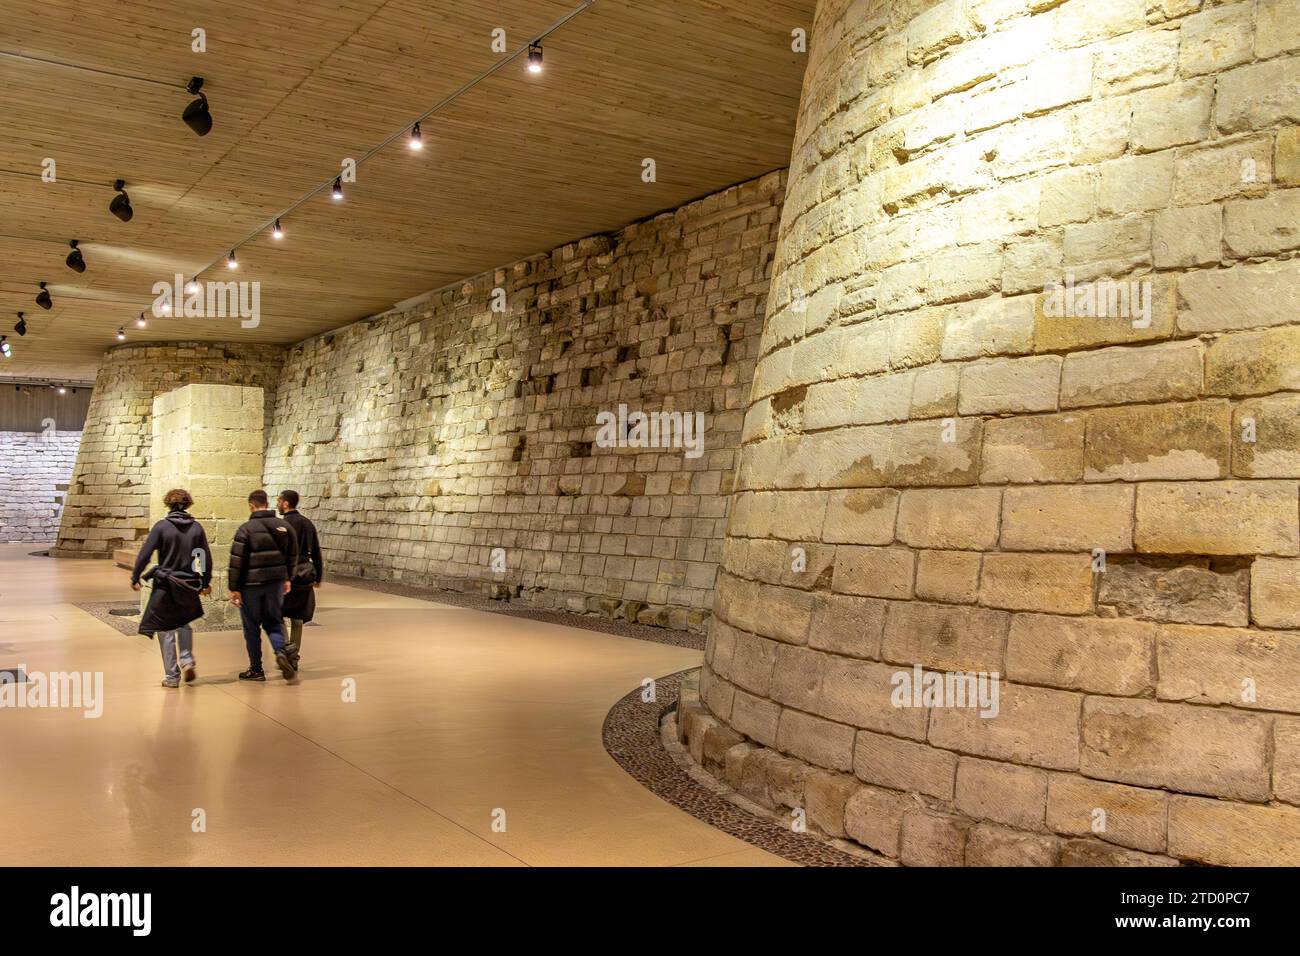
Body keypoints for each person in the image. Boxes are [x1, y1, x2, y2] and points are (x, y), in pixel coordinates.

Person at [130, 488, 213, 688]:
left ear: (168, 504)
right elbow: (201, 557)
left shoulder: (161, 527)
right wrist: (203, 581)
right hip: (187, 584)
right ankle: (187, 660)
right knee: (183, 622)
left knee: (164, 629)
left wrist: (136, 576)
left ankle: (172, 677)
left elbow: (145, 553)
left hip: (166, 585)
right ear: (188, 504)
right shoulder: (196, 528)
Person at [228, 489, 298, 682]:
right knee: (274, 621)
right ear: (267, 503)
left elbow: (237, 560)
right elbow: (293, 556)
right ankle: (280, 652)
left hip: (251, 585)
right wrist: (287, 578)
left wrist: (234, 588)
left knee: (251, 627)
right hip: (275, 584)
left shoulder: (246, 529)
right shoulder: (284, 527)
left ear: (251, 506)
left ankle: (256, 669)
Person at [277, 489, 324, 671]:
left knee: (278, 614)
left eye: (279, 501)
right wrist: (319, 576)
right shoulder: (307, 524)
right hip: (304, 573)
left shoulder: (282, 525)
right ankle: (294, 655)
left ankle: (286, 649)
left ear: (286, 503)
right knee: (297, 618)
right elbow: (316, 551)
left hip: (287, 574)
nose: (277, 504)